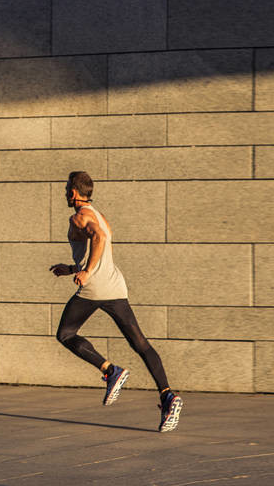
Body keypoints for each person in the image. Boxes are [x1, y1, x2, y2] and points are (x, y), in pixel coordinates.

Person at [48, 171, 182, 432]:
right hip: (115, 286)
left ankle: (111, 371)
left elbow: (97, 238)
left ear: (74, 193)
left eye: (66, 189)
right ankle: (167, 395)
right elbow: (98, 243)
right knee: (140, 343)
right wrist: (72, 268)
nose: (65, 193)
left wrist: (86, 273)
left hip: (94, 288)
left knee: (65, 334)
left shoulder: (79, 216)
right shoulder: (99, 214)